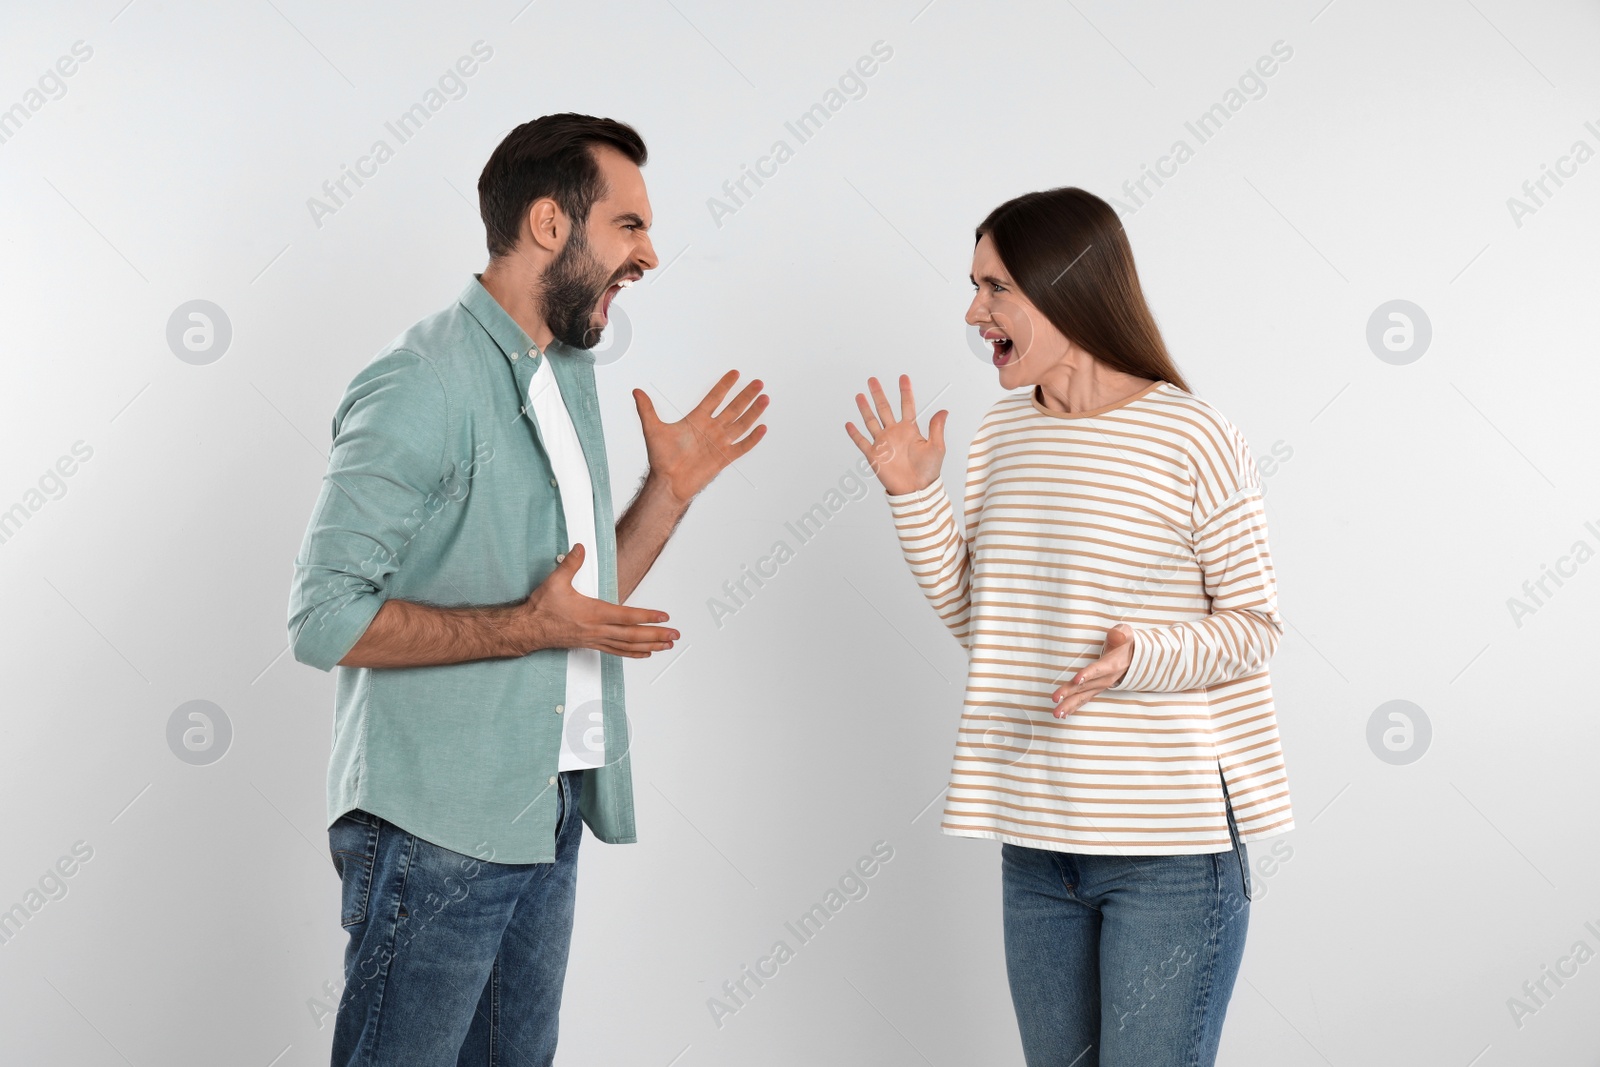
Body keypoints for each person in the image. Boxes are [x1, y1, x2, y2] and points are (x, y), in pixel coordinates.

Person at [287, 113, 768, 1066]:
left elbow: (575, 600)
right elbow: (322, 617)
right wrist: (520, 628)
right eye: (629, 226)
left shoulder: (566, 370)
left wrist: (668, 492)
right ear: (551, 224)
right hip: (434, 826)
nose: (651, 255)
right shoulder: (420, 381)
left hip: (543, 805)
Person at [845, 186, 1293, 1066]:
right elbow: (988, 623)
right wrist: (914, 497)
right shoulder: (1005, 432)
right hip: (1038, 838)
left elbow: (1256, 625)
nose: (974, 312)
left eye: (996, 287)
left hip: (1170, 847)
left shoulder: (1193, 434)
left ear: (1069, 287)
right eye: (975, 286)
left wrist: (1142, 656)